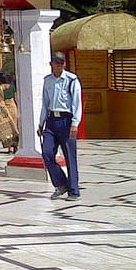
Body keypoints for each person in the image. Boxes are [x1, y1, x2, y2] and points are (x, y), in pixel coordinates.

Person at [39, 51, 83, 200]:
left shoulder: (71, 80)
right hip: (51, 120)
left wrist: (75, 123)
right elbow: (45, 103)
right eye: (56, 63)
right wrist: (41, 123)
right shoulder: (48, 80)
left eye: (61, 63)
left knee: (70, 157)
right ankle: (60, 183)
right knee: (47, 153)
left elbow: (77, 103)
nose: (58, 66)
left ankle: (74, 190)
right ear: (51, 64)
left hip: (66, 120)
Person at [0, 72, 19, 153]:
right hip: (3, 107)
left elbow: (15, 96)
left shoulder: (9, 86)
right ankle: (10, 147)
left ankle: (15, 145)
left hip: (11, 106)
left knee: (13, 126)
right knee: (8, 128)